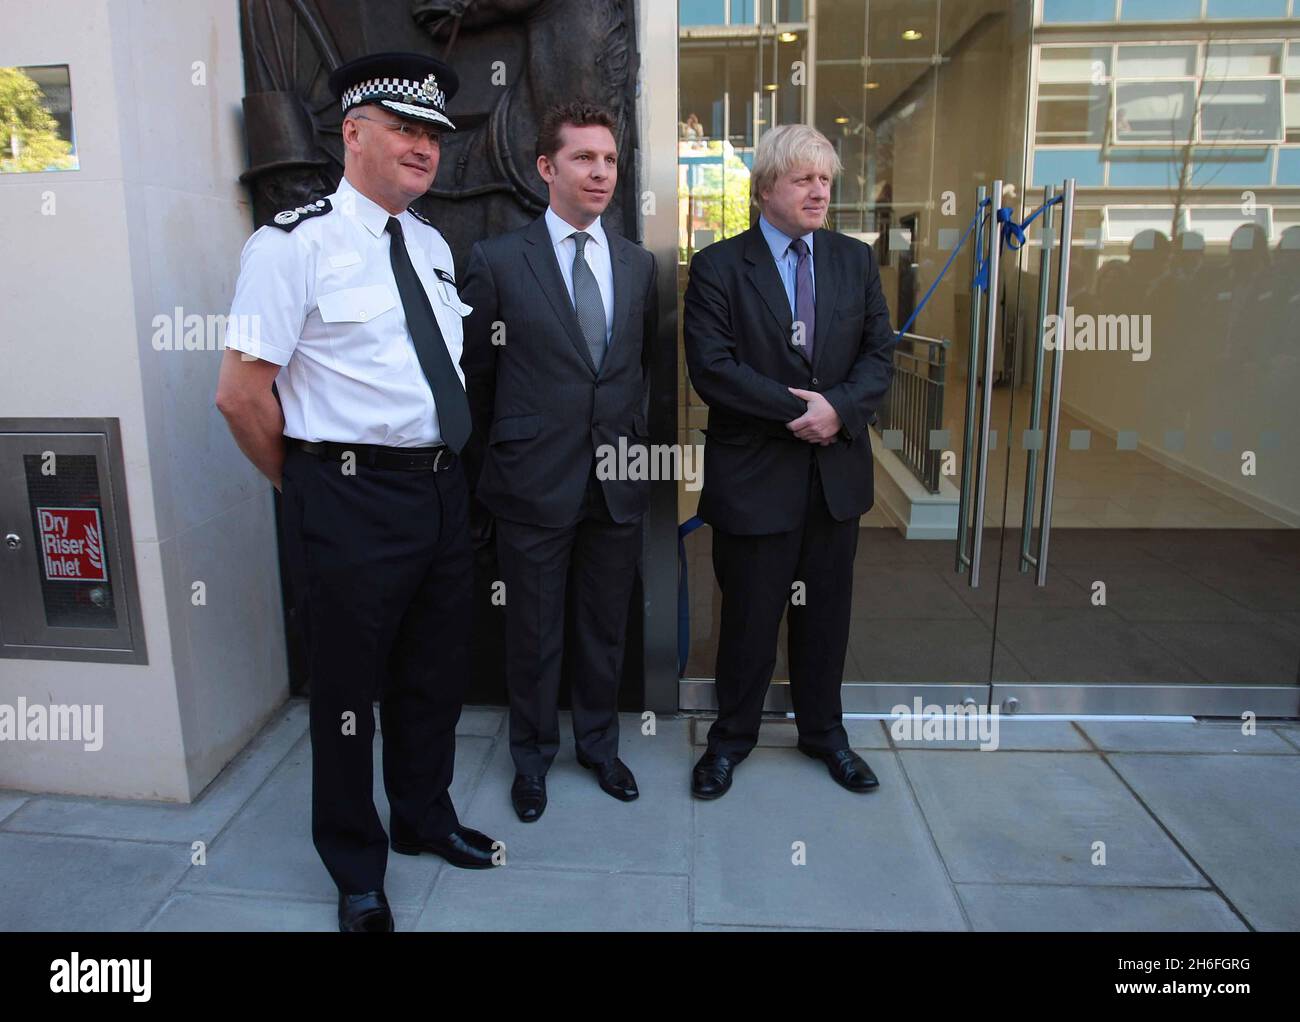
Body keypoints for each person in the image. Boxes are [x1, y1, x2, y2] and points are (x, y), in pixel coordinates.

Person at [215, 52, 499, 933]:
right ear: (353, 133)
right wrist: (303, 486)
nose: (424, 149)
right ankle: (356, 868)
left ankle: (424, 817)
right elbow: (239, 392)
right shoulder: (290, 244)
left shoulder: (431, 244)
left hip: (440, 491)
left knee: (434, 675)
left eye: (433, 136)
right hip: (347, 497)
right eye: (405, 129)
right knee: (347, 698)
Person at [682, 124, 896, 799]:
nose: (819, 191)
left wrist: (840, 409)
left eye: (826, 180)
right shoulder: (718, 266)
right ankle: (730, 740)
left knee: (825, 618)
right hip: (754, 481)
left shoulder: (853, 261)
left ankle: (824, 735)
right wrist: (800, 410)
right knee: (747, 618)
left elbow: (879, 356)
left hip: (835, 480)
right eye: (804, 178)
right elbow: (713, 370)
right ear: (766, 187)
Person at [459, 100, 658, 823]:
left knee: (604, 628)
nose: (600, 172)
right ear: (548, 168)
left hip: (617, 486)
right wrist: (494, 474)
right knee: (533, 634)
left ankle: (600, 749)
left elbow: (641, 373)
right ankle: (532, 761)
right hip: (530, 485)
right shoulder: (498, 261)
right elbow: (475, 380)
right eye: (584, 158)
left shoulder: (638, 265)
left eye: (608, 159)